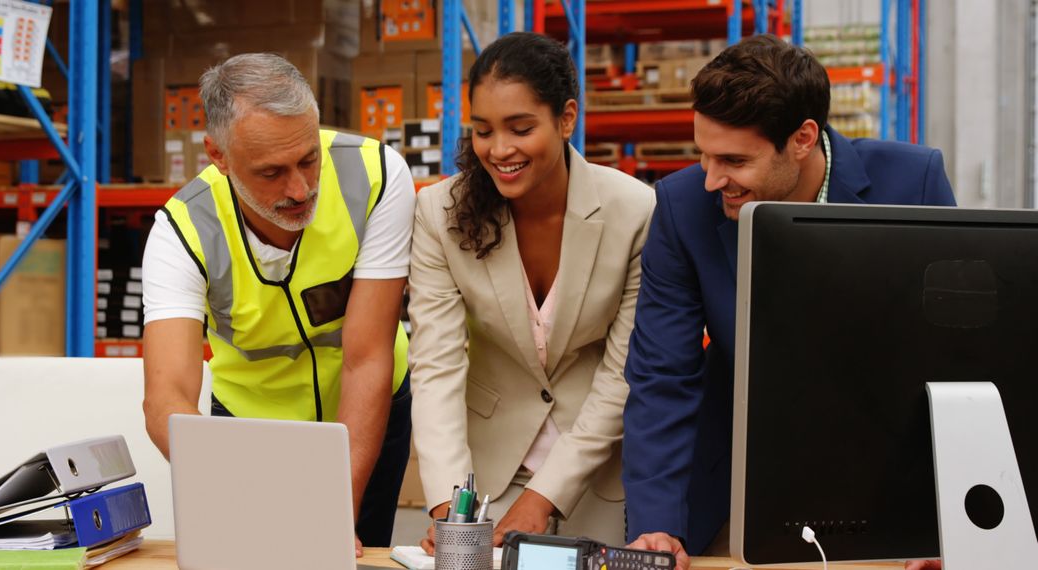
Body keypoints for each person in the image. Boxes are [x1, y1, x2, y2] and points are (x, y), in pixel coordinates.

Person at [622, 34, 956, 563]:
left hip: (890, 487)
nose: (711, 180)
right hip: (741, 489)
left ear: (802, 138)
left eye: (733, 160)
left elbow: (952, 363)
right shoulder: (682, 206)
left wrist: (943, 523)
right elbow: (662, 377)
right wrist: (657, 526)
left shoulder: (911, 184)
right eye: (702, 155)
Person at [140, 53, 416, 555]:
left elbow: (367, 358)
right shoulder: (180, 231)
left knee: (348, 555)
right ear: (218, 156)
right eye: (271, 172)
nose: (301, 188)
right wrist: (236, 497)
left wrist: (332, 515)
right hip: (249, 434)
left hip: (367, 412)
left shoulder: (378, 176)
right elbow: (167, 398)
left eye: (309, 159)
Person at [408, 32, 657, 555]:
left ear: (567, 119)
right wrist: (449, 509)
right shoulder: (440, 214)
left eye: (520, 128)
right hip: (482, 485)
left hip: (595, 480)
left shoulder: (635, 212)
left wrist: (545, 495)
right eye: (482, 131)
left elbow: (622, 375)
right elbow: (436, 365)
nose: (499, 150)